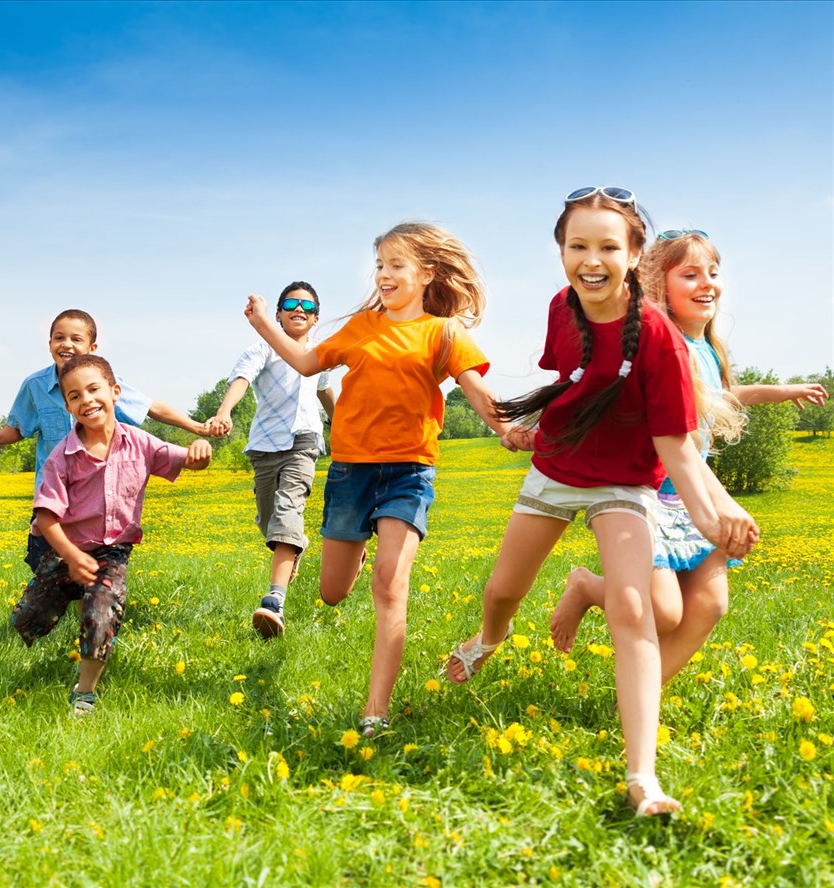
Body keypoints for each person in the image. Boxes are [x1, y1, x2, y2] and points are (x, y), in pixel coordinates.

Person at [445, 189, 760, 817]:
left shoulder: (662, 343)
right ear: (561, 250)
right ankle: (487, 639)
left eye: (608, 247)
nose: (591, 260)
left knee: (634, 604)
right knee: (503, 591)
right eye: (577, 246)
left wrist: (713, 515)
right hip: (556, 468)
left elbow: (677, 450)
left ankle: (643, 778)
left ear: (634, 254)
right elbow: (570, 376)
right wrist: (535, 423)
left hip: (625, 485)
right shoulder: (562, 307)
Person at [243, 222, 526, 737]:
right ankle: (361, 545)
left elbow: (475, 389)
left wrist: (507, 428)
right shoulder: (363, 326)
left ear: (427, 273)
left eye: (397, 265)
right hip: (351, 472)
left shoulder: (443, 332)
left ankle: (376, 713)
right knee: (331, 592)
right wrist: (266, 323)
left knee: (390, 588)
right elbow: (308, 362)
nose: (385, 274)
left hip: (408, 472)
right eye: (380, 265)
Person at [551, 229, 828, 683]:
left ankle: (643, 696)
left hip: (692, 492)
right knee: (661, 612)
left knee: (710, 603)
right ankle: (586, 585)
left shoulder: (708, 351)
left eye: (713, 274)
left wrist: (781, 391)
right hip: (651, 493)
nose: (707, 283)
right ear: (659, 285)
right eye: (691, 274)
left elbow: (721, 395)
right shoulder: (659, 344)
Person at [8, 354, 212, 715]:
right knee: (28, 620)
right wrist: (70, 557)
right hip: (65, 551)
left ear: (115, 392)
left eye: (93, 389)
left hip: (113, 552)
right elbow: (45, 516)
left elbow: (187, 459)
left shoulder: (141, 443)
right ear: (68, 407)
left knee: (102, 611)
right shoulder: (62, 457)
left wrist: (200, 452)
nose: (85, 400)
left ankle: (84, 691)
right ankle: (70, 596)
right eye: (74, 396)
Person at [0, 308, 212, 572]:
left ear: (92, 347)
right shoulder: (34, 385)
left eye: (76, 339)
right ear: (49, 345)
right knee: (47, 571)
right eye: (59, 337)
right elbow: (18, 428)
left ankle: (85, 611)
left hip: (94, 501)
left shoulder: (101, 383)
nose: (66, 344)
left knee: (91, 570)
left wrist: (196, 427)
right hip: (54, 497)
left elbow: (150, 407)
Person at [208, 281, 336, 638]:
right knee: (269, 522)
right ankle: (295, 545)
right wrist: (224, 412)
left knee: (287, 511)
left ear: (315, 318)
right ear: (277, 315)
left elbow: (325, 390)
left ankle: (274, 601)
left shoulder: (319, 354)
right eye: (291, 304)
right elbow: (241, 379)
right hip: (265, 445)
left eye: (308, 307)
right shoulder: (262, 348)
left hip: (305, 441)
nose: (300, 310)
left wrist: (340, 425)